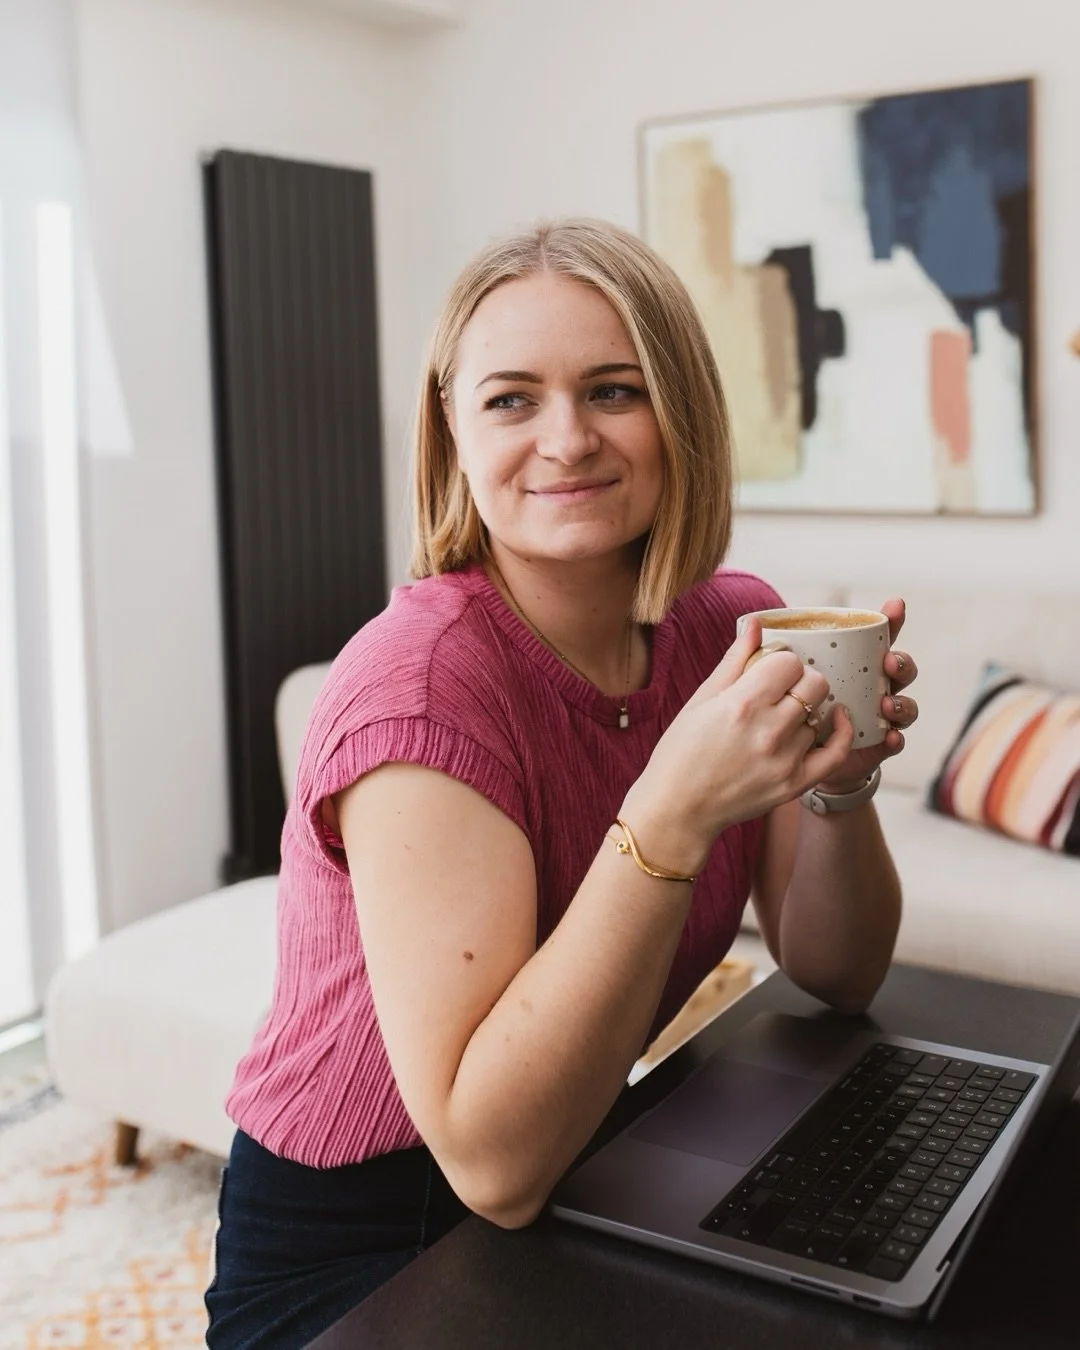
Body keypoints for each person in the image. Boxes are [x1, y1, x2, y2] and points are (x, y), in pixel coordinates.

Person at [205, 218, 918, 1348]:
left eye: (613, 390)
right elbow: (489, 1165)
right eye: (511, 400)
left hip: (586, 1147)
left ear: (679, 410)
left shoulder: (733, 626)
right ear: (452, 429)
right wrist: (671, 812)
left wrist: (839, 786)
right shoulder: (424, 693)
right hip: (364, 1239)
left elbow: (835, 972)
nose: (568, 438)